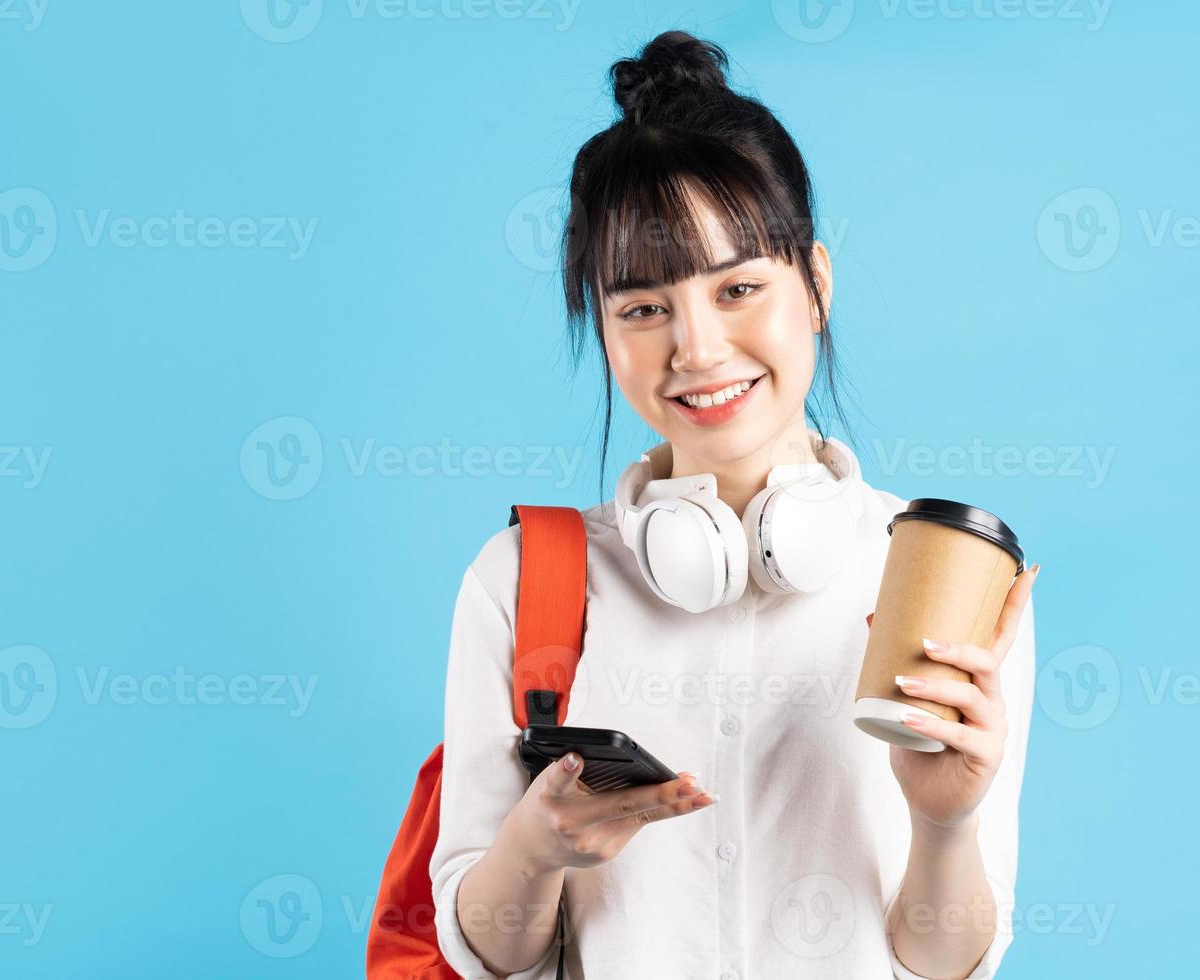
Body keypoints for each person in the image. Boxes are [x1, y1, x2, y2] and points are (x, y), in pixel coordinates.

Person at [429, 29, 1039, 980]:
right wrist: (535, 846)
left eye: (740, 287)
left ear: (817, 285)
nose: (699, 349)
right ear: (602, 326)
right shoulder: (523, 579)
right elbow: (483, 951)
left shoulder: (939, 575)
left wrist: (945, 819)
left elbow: (946, 962)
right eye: (642, 308)